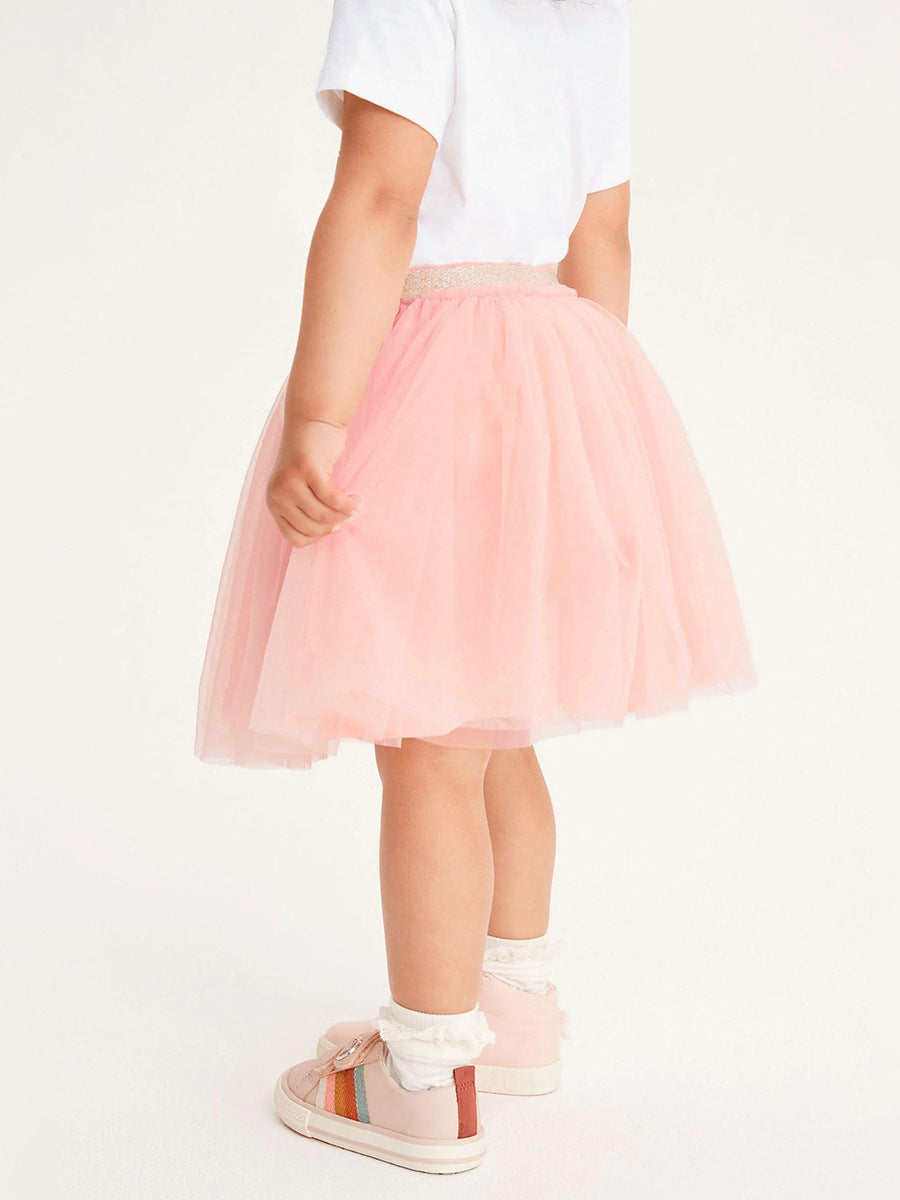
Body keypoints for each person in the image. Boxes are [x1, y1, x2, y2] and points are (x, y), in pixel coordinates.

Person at [195, 0, 755, 1174]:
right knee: (498, 728)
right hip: (557, 357)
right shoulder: (589, 16)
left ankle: (420, 1075)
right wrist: (592, 439)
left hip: (437, 364)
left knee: (429, 745)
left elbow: (380, 195)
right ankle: (513, 1010)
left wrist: (321, 416)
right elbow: (605, 233)